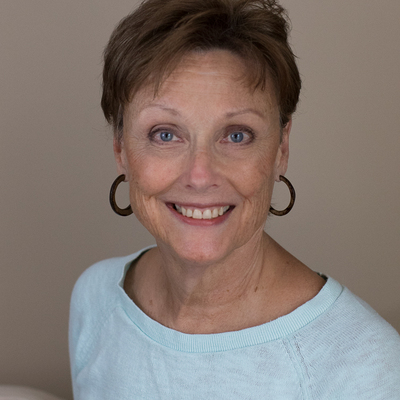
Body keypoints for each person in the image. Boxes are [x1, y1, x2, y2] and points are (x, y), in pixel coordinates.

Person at [69, 0, 400, 398]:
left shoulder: (367, 368)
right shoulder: (96, 298)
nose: (200, 175)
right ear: (120, 148)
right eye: (165, 134)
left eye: (237, 135)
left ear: (281, 148)